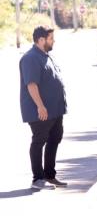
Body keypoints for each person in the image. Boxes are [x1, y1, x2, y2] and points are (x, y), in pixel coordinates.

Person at [19, 26, 68, 190]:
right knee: (39, 140)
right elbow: (31, 85)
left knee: (55, 138)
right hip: (40, 110)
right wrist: (40, 106)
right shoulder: (31, 58)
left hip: (55, 110)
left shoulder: (46, 56)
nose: (53, 41)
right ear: (41, 40)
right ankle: (37, 179)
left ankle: (49, 175)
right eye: (50, 38)